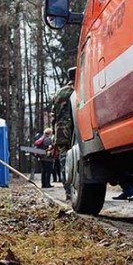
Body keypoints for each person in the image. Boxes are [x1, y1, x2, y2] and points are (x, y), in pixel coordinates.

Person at [51, 67, 75, 197]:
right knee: (78, 161)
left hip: (61, 132)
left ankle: (68, 191)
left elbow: (53, 116)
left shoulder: (59, 93)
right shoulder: (78, 91)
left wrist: (55, 133)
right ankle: (78, 190)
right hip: (76, 131)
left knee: (64, 162)